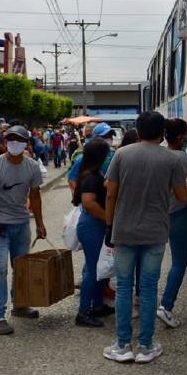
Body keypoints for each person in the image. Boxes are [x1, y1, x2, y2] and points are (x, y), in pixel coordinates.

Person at [102, 111, 187, 364]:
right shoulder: (171, 159)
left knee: (124, 288)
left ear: (138, 131)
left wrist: (109, 226)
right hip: (155, 232)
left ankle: (122, 346)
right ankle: (146, 345)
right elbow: (182, 197)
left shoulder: (121, 155)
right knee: (149, 289)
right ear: (162, 133)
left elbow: (110, 194)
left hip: (124, 231)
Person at [0, 125, 46, 335]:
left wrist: (40, 224)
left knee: (21, 267)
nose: (14, 143)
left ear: (26, 143)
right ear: (5, 143)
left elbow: (34, 196)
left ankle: (20, 304)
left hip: (21, 224)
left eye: (19, 140)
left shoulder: (32, 167)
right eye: (11, 139)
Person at [157, 119, 187, 329]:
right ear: (181, 137)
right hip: (179, 214)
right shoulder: (182, 158)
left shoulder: (159, 155)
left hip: (160, 214)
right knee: (179, 262)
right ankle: (166, 305)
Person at [74, 138, 115, 328]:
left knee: (98, 269)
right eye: (107, 153)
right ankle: (83, 312)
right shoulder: (92, 177)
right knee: (92, 270)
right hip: (92, 226)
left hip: (94, 226)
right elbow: (89, 203)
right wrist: (108, 218)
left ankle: (98, 305)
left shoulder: (92, 173)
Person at [68, 123, 116, 194]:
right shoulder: (85, 155)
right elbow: (72, 179)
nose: (109, 139)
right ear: (95, 138)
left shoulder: (114, 154)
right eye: (105, 136)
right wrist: (80, 196)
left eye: (111, 136)